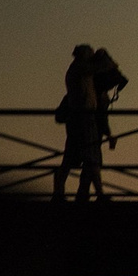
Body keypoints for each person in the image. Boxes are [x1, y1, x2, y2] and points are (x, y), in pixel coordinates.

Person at [53, 44, 126, 202]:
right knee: (91, 157)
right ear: (84, 55)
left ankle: (59, 192)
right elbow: (101, 67)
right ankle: (97, 194)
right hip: (84, 117)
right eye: (90, 54)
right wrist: (109, 60)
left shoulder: (80, 71)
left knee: (71, 158)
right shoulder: (80, 68)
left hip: (79, 117)